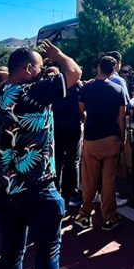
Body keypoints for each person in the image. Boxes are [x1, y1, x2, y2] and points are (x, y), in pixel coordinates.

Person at [0, 42, 81, 269]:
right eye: (40, 67)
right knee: (48, 251)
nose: (42, 72)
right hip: (37, 187)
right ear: (29, 69)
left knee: (11, 252)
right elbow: (74, 72)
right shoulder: (34, 92)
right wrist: (58, 55)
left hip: (3, 189)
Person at [75, 56, 127, 231]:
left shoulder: (87, 88)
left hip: (91, 138)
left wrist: (88, 118)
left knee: (89, 179)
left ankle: (85, 214)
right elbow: (122, 118)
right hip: (111, 139)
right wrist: (122, 138)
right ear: (113, 69)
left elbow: (81, 110)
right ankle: (109, 217)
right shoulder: (118, 89)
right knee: (108, 180)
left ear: (98, 67)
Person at [50, 66, 84, 208]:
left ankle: (56, 190)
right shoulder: (77, 86)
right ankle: (71, 192)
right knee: (73, 160)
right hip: (73, 126)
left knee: (57, 160)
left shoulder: (54, 85)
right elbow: (82, 106)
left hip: (56, 126)